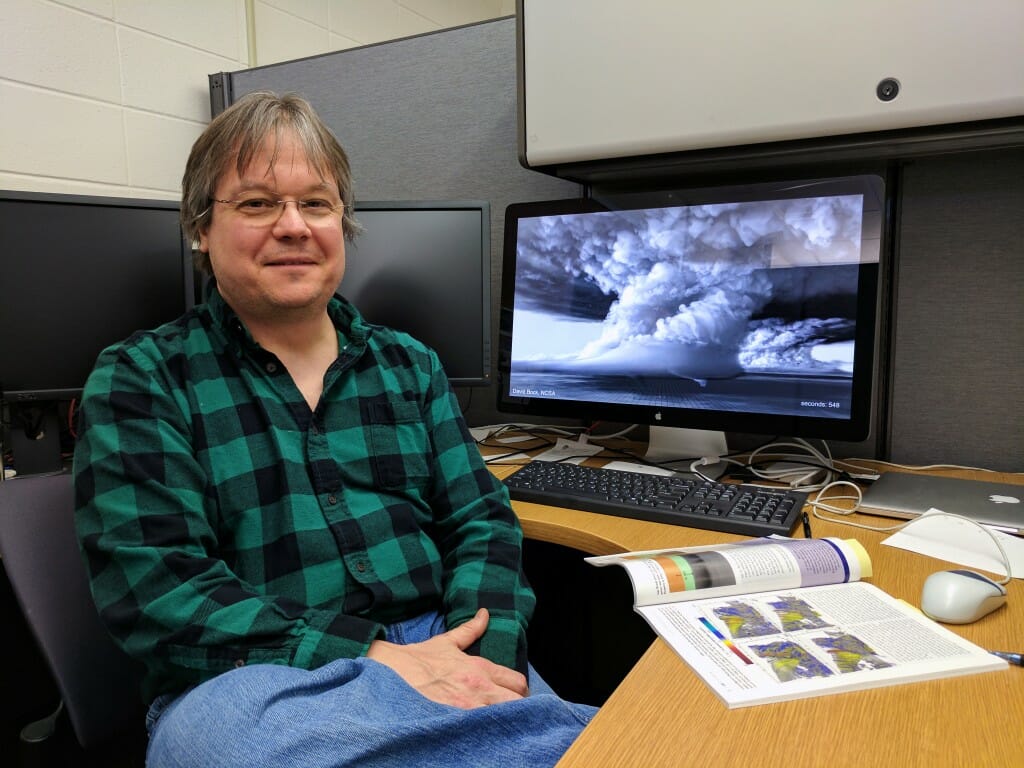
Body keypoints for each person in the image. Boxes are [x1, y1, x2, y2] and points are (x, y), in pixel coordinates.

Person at [73, 90, 597, 767]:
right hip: (252, 680)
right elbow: (161, 588)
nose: (293, 226)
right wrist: (375, 659)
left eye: (316, 203)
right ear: (199, 227)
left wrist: (482, 654)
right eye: (258, 203)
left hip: (443, 639)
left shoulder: (407, 364)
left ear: (342, 224)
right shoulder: (143, 378)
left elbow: (482, 522)